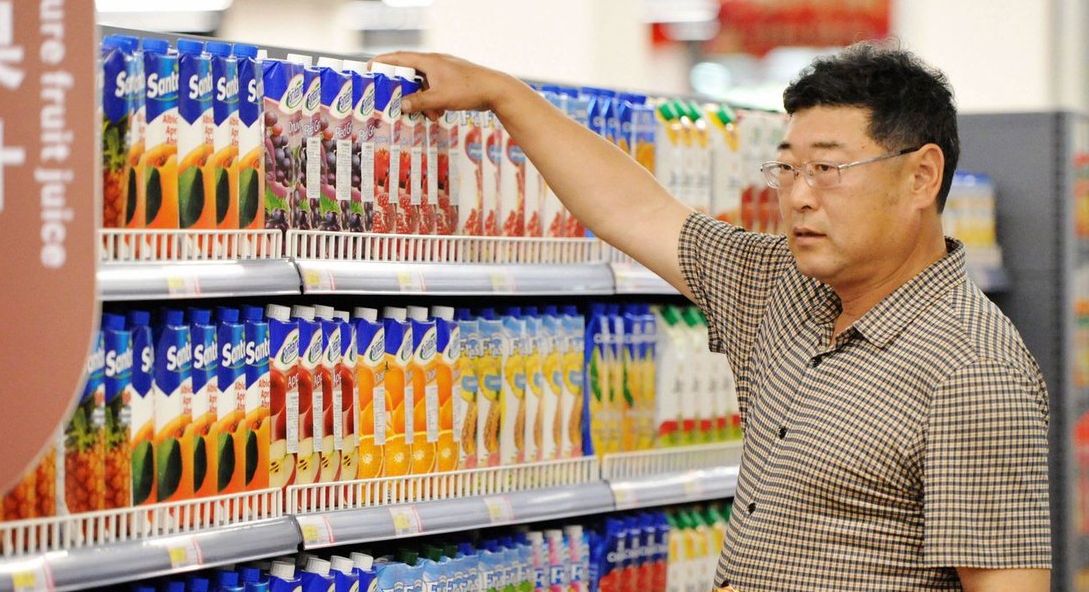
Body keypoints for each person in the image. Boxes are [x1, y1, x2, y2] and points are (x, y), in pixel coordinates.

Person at [373, 42, 1051, 592]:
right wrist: (502, 94)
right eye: (787, 169)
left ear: (922, 178)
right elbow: (633, 210)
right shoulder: (779, 287)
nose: (798, 198)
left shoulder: (974, 370)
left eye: (827, 169)